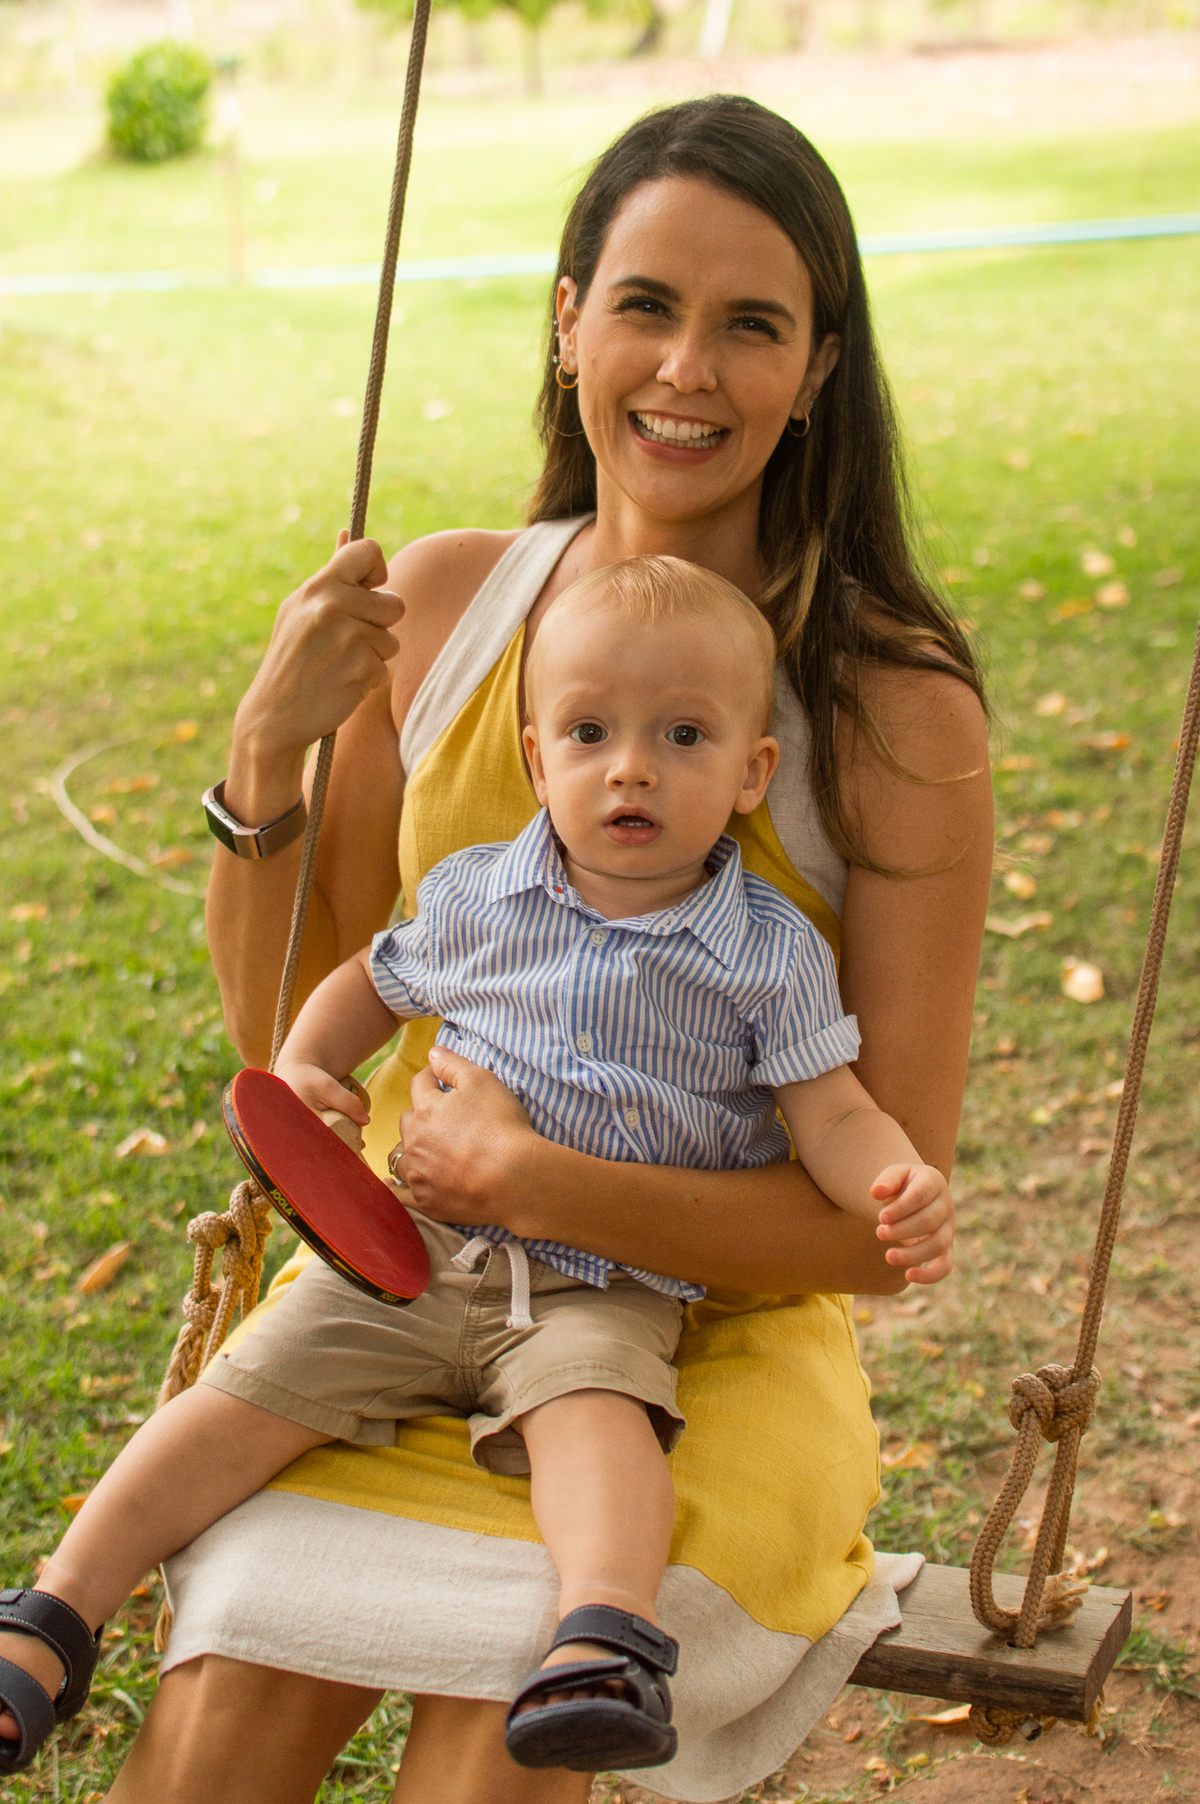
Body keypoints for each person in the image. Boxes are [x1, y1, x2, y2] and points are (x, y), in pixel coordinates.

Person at [37, 93, 989, 1803]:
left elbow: (866, 1228)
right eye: (645, 305)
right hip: (401, 1283)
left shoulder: (884, 701)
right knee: (214, 1721)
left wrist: (538, 1180)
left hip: (702, 1341)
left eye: (751, 323)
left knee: (500, 1741)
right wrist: (265, 760)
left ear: (819, 364)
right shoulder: (457, 606)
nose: (687, 368)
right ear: (569, 323)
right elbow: (298, 1020)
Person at [0, 557, 956, 1780]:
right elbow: (368, 982)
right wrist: (303, 1068)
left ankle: (602, 1636)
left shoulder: (763, 953)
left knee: (601, 1418)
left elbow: (830, 1111)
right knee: (239, 1394)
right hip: (409, 1254)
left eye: (683, 736)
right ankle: (55, 1612)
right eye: (591, 733)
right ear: (536, 752)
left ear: (752, 770)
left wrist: (895, 1180)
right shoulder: (481, 896)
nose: (633, 768)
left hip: (601, 1279)